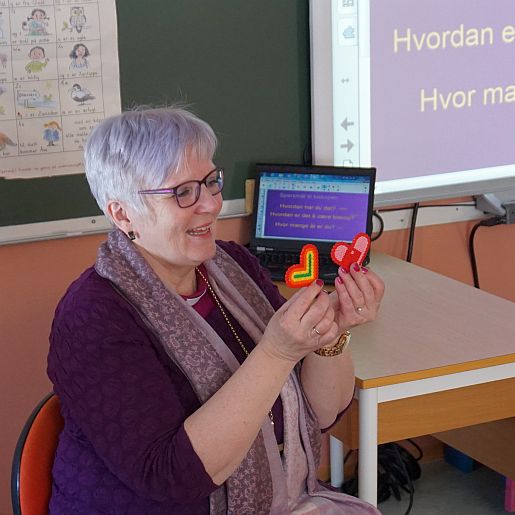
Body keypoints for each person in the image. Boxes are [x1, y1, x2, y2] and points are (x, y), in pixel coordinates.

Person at [47, 107, 384, 514]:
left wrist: (330, 331)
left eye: (210, 182)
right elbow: (173, 477)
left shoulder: (234, 267)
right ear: (123, 213)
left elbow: (322, 413)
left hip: (284, 495)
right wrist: (277, 353)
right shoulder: (94, 317)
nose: (210, 204)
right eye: (183, 192)